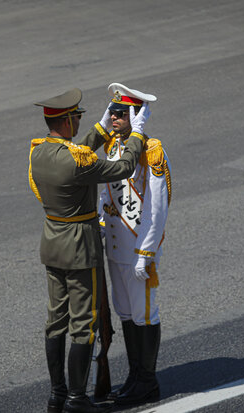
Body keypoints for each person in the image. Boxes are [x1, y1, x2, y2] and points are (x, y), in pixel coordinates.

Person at [29, 88, 150, 413]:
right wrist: (137, 132)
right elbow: (123, 167)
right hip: (80, 247)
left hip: (52, 242)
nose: (80, 120)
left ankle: (58, 394)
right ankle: (77, 399)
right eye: (77, 117)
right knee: (84, 323)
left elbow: (76, 151)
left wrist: (100, 128)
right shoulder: (77, 162)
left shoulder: (39, 152)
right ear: (67, 121)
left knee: (56, 321)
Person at [98, 83, 171, 405]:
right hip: (115, 246)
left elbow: (157, 207)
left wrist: (146, 252)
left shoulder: (150, 149)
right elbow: (106, 192)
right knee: (125, 313)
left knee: (144, 313)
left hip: (137, 247)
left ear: (136, 116)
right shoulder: (114, 147)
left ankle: (147, 381)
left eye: (120, 112)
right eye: (112, 111)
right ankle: (133, 375)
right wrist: (102, 224)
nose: (113, 117)